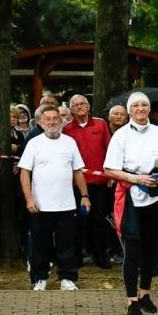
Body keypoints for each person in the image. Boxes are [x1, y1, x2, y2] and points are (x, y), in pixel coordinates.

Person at [104, 92, 158, 315]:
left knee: (152, 247)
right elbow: (109, 169)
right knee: (133, 249)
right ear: (130, 110)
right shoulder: (121, 136)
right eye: (137, 105)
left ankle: (145, 294)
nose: (141, 109)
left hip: (155, 194)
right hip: (131, 194)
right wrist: (135, 179)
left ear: (149, 109)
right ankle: (131, 299)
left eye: (145, 105)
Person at [18, 104, 88, 291]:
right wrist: (29, 199)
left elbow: (78, 171)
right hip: (40, 205)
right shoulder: (34, 143)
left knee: (67, 243)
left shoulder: (69, 142)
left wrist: (84, 195)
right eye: (47, 119)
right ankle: (39, 278)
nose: (52, 122)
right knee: (40, 244)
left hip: (66, 204)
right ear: (40, 122)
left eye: (55, 118)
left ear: (61, 120)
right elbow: (25, 173)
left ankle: (67, 277)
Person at [64, 93, 114, 269]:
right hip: (76, 184)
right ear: (71, 109)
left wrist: (110, 175)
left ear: (88, 106)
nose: (79, 107)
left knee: (99, 220)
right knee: (79, 222)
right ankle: (77, 256)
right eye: (75, 105)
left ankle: (100, 255)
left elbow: (110, 150)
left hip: (99, 182)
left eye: (82, 104)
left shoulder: (100, 124)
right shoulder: (67, 129)